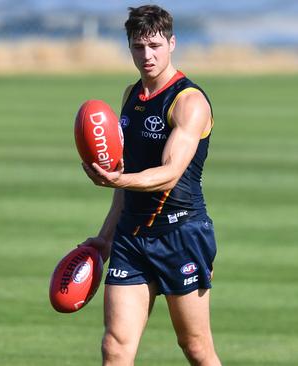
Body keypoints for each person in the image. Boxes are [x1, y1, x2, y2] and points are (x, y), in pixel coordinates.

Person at [81, 5, 221, 366]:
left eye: (155, 46)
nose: (147, 55)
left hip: (182, 235)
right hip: (132, 237)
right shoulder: (131, 96)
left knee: (195, 347)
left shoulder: (189, 102)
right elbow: (124, 183)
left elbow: (170, 172)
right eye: (138, 47)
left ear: (172, 43)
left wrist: (117, 178)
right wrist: (106, 237)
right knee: (115, 346)